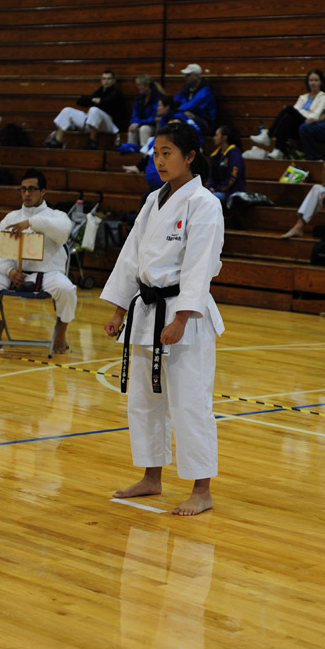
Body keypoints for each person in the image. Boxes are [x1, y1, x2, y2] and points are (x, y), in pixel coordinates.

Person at [102, 122, 225, 516]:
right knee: (146, 400)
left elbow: (199, 266)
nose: (159, 161)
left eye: (167, 153)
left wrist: (182, 317)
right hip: (146, 311)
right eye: (155, 154)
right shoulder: (154, 199)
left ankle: (201, 489)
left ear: (190, 156)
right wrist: (120, 308)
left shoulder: (204, 203)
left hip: (183, 316)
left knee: (190, 402)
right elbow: (130, 257)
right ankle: (151, 477)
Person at [0, 169, 76, 354]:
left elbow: (63, 232)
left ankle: (61, 330)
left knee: (67, 290)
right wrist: (9, 271)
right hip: (14, 274)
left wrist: (31, 223)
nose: (27, 193)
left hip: (48, 272)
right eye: (23, 189)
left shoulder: (56, 215)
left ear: (43, 191)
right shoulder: (11, 218)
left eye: (32, 189)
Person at [250, 69, 325, 160]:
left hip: (309, 124)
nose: (313, 83)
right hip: (297, 123)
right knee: (287, 117)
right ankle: (278, 149)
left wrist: (303, 114)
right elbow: (295, 111)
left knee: (288, 109)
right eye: (311, 80)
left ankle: (269, 135)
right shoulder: (303, 97)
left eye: (316, 80)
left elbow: (316, 115)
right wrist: (301, 113)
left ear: (321, 82)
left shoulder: (323, 97)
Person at [45, 69, 127, 149]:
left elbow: (108, 103)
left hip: (109, 124)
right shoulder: (99, 92)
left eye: (109, 79)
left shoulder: (117, 93)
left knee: (94, 110)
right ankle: (57, 140)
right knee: (67, 110)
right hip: (93, 122)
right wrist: (93, 100)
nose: (106, 81)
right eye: (104, 79)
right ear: (101, 80)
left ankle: (92, 141)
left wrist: (99, 101)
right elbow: (80, 101)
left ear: (114, 81)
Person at [173, 64, 216, 138]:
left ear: (196, 76)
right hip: (188, 116)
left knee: (185, 115)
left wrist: (178, 108)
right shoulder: (187, 88)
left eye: (188, 75)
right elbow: (176, 100)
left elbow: (193, 106)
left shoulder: (206, 90)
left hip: (204, 122)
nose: (185, 77)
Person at [208, 125, 246, 205]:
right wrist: (211, 187)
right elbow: (211, 175)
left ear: (224, 137)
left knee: (211, 199)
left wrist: (220, 189)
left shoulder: (234, 153)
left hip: (231, 192)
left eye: (216, 135)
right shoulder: (215, 155)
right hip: (216, 190)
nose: (214, 138)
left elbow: (233, 176)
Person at [125, 75, 162, 147]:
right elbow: (135, 114)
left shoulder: (157, 98)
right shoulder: (139, 98)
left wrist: (139, 123)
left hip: (153, 125)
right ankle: (131, 149)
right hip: (141, 123)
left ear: (147, 86)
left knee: (144, 129)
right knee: (132, 129)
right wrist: (135, 123)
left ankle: (144, 151)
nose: (138, 87)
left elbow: (154, 117)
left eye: (140, 85)